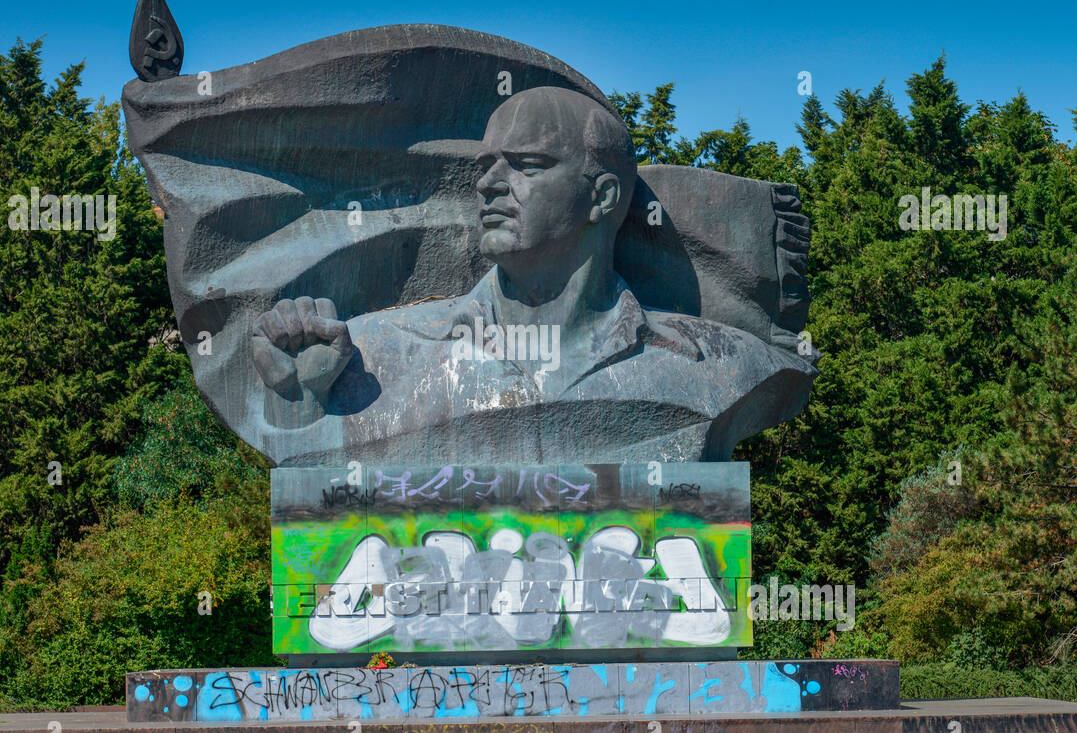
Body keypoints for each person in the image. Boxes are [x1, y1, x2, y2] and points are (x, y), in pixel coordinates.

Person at [249, 87, 816, 465]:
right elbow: (312, 479)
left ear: (603, 196)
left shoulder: (725, 364)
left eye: (528, 165)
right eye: (485, 167)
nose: (489, 184)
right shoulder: (369, 356)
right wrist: (301, 402)